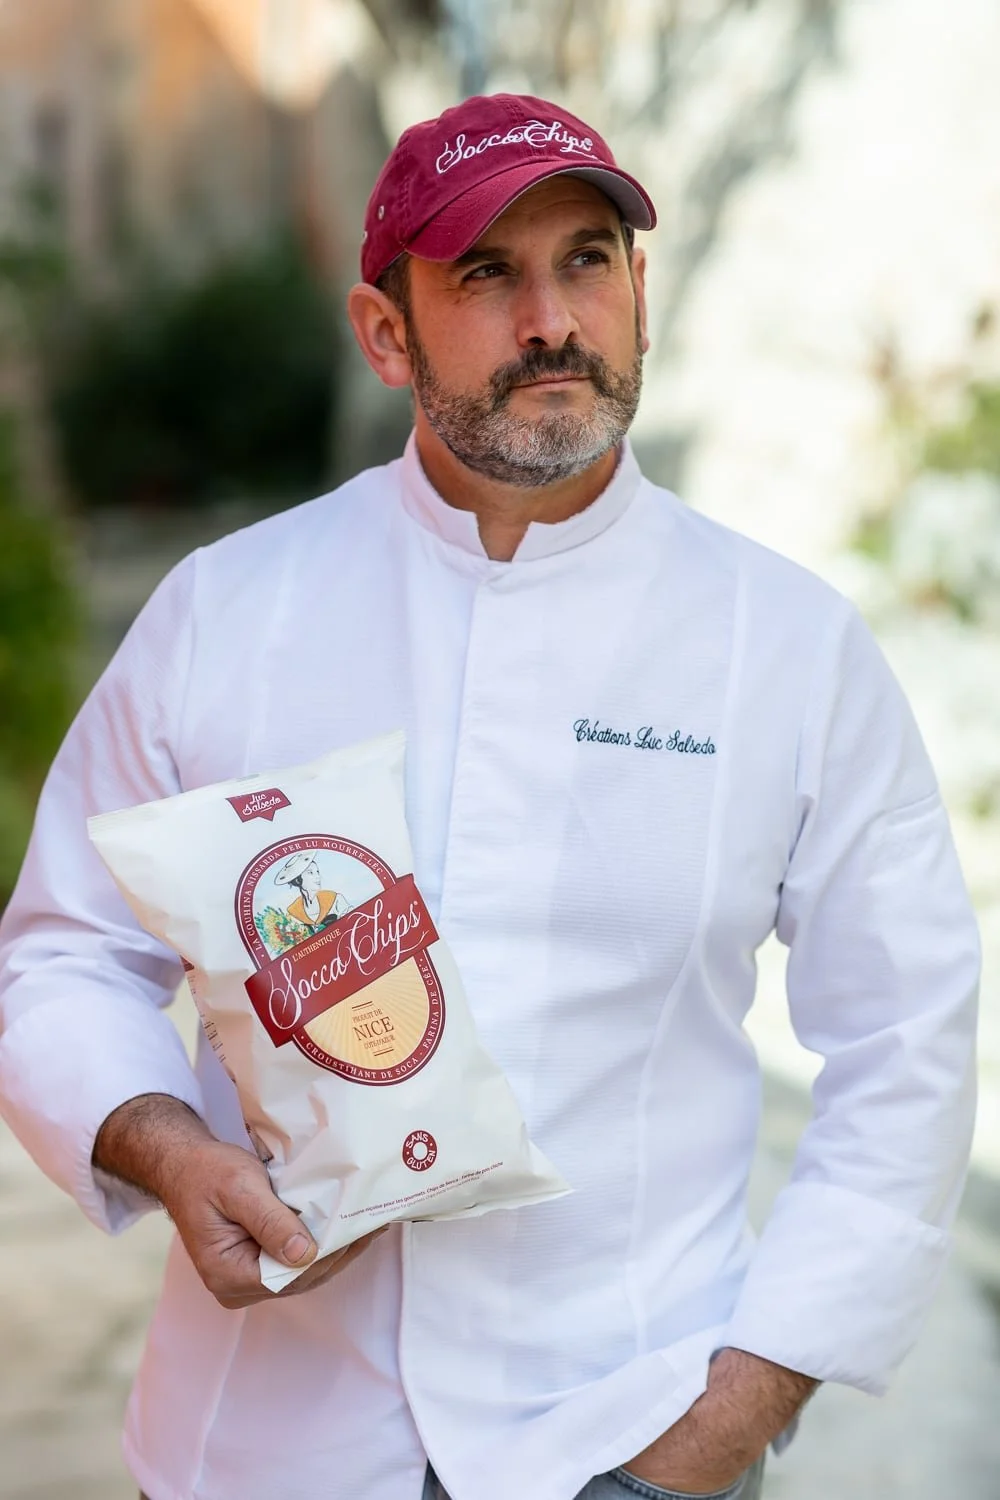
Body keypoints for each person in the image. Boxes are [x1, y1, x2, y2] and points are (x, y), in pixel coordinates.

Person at [0, 93, 979, 1500]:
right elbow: (63, 953)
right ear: (385, 332)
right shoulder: (230, 611)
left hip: (628, 1430)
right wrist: (159, 1146)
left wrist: (742, 1405)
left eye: (587, 260)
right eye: (484, 274)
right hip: (267, 1445)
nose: (550, 320)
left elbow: (909, 1040)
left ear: (641, 288)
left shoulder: (791, 647)